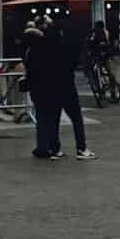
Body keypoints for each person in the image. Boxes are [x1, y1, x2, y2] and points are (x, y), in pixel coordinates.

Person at [25, 17, 95, 161]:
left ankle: (55, 149)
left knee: (53, 120)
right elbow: (74, 63)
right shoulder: (65, 46)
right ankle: (81, 149)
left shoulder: (42, 48)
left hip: (51, 88)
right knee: (76, 119)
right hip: (67, 87)